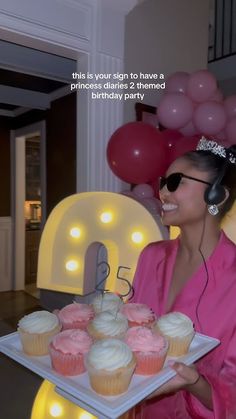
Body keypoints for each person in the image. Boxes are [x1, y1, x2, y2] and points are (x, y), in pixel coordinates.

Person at [131, 137, 236, 418]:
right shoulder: (151, 256)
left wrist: (195, 383)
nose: (163, 192)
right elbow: (132, 327)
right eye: (164, 181)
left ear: (216, 196)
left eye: (176, 182)